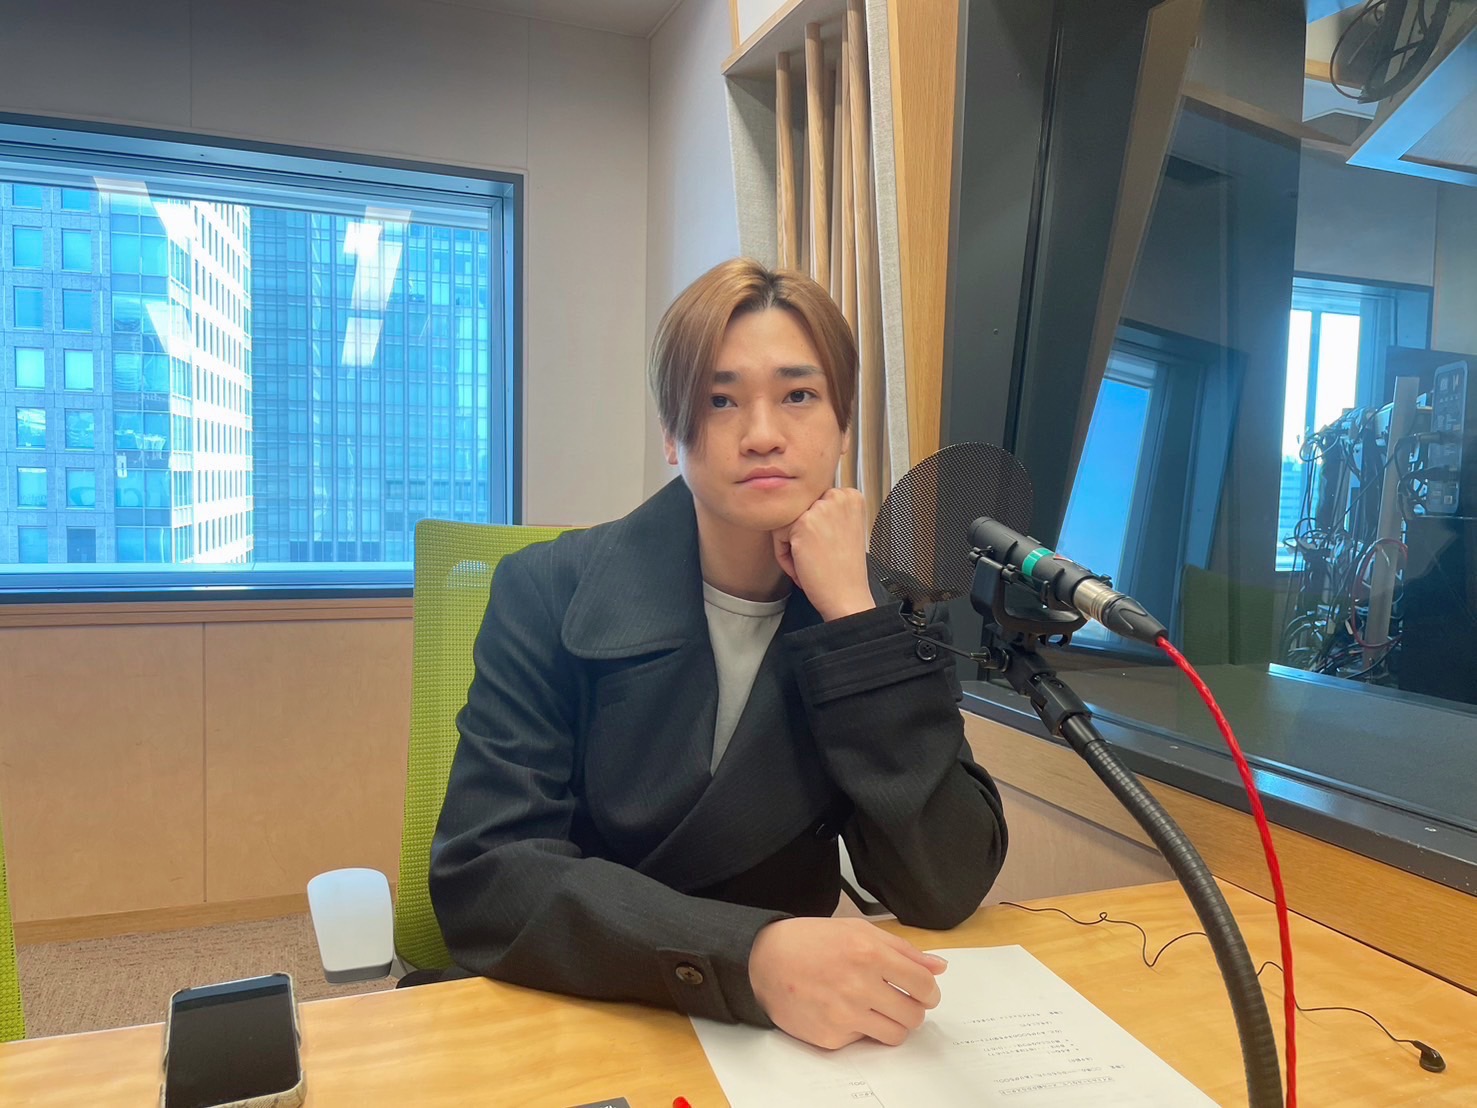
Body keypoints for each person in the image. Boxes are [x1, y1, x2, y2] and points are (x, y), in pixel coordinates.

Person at [429, 258, 1007, 1050]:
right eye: (719, 400)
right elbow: (487, 879)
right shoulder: (546, 589)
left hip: (781, 1043)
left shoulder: (885, 613)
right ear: (672, 435)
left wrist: (853, 622)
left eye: (798, 396)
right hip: (581, 1001)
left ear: (842, 427)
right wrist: (748, 954)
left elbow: (944, 885)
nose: (763, 434)